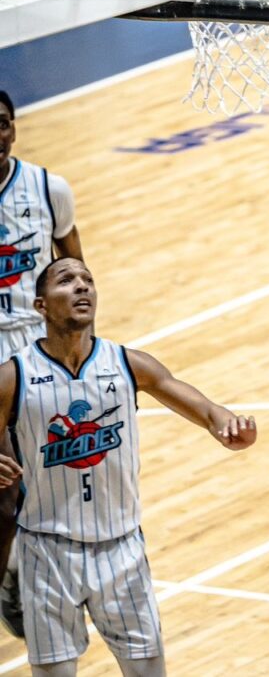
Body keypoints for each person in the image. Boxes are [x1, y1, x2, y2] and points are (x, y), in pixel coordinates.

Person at [0, 256, 257, 676]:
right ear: (41, 306)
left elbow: (206, 409)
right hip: (46, 552)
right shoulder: (15, 377)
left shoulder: (126, 364)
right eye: (67, 281)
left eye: (88, 280)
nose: (82, 286)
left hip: (121, 549)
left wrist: (227, 424)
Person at [0, 89, 84, 639]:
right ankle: (12, 580)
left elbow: (73, 264)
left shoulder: (48, 188)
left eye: (4, 123)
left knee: (53, 477)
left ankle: (22, 581)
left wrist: (82, 344)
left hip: (37, 349)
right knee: (8, 488)